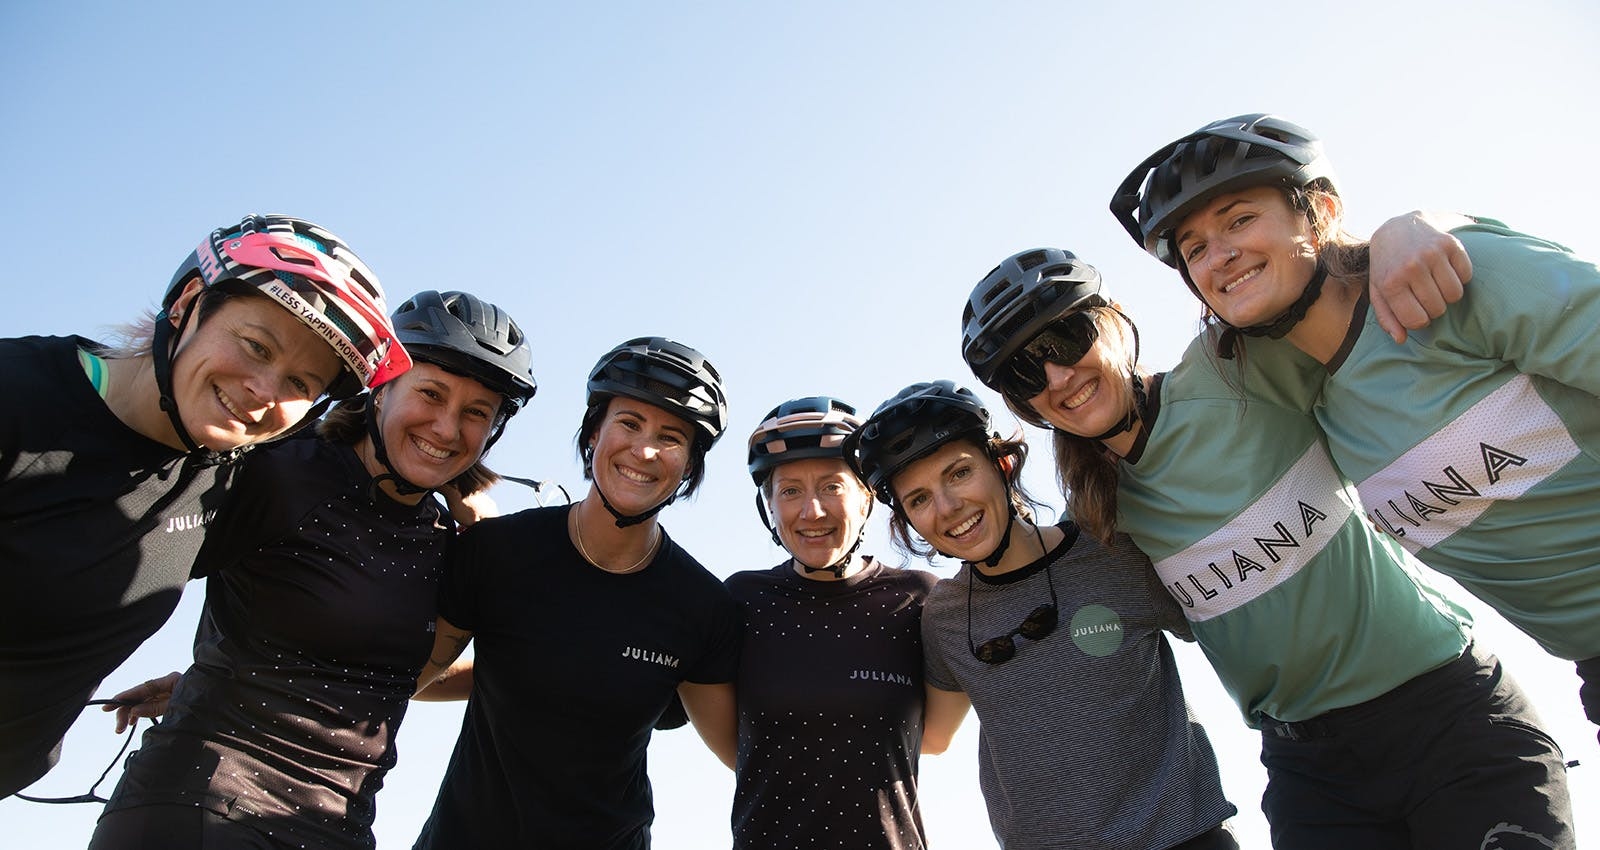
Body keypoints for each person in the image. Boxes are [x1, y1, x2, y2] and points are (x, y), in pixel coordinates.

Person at [962, 243, 1575, 848]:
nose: (1058, 376)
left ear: (1114, 320)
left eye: (1066, 340)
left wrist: (1408, 229)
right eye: (1025, 372)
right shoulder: (1098, 521)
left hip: (1448, 712)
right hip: (1314, 772)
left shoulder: (1232, 368)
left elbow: (1334, 287)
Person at [1116, 112, 1600, 744]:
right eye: (1194, 249)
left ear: (1320, 207)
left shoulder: (1451, 277)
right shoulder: (1312, 399)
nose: (1220, 256)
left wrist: (1417, 223)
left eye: (1239, 219)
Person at [81, 289, 533, 849]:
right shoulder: (283, 472)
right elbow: (110, 553)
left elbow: (391, 676)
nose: (445, 427)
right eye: (431, 394)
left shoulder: (445, 539)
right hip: (204, 801)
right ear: (381, 387)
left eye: (475, 414)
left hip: (336, 826)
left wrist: (487, 538)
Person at [0, 213, 405, 799]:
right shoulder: (18, 400)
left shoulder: (233, 478)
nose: (264, 392)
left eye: (300, 384)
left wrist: (208, 680)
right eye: (255, 345)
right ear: (189, 302)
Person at [845, 379, 1237, 850]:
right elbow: (930, 737)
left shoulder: (1114, 548)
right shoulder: (944, 618)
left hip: (1185, 839)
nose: (948, 508)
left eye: (959, 473)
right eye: (919, 499)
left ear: (1002, 464)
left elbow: (1232, 623)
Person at [411, 336, 742, 850]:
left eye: (672, 437)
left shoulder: (701, 605)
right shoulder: (498, 551)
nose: (645, 449)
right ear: (593, 435)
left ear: (690, 467)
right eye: (629, 423)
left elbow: (744, 754)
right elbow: (402, 678)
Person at [721, 396, 958, 850]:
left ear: (867, 495)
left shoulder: (921, 599)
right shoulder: (739, 601)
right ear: (768, 505)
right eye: (789, 491)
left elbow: (937, 738)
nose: (812, 511)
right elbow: (735, 747)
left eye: (832, 486)